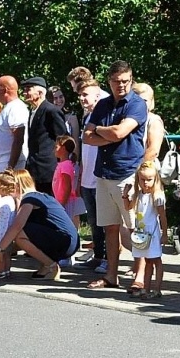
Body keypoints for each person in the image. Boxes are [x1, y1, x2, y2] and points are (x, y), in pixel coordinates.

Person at [82, 63, 147, 291]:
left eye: (125, 81)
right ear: (109, 81)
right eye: (117, 81)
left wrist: (100, 129)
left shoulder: (138, 105)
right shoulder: (103, 104)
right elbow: (86, 137)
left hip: (127, 173)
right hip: (103, 173)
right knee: (110, 227)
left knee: (134, 228)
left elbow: (121, 132)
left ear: (131, 80)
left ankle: (139, 276)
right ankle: (112, 274)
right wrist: (107, 132)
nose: (121, 85)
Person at [0, 170, 80, 283]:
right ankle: (47, 265)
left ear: (16, 185)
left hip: (64, 242)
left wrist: (0, 248)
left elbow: (17, 226)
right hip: (70, 241)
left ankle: (51, 266)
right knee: (26, 232)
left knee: (19, 235)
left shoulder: (29, 199)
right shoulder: (41, 196)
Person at [73, 77, 108, 271]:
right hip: (87, 177)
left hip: (100, 177)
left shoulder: (104, 115)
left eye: (85, 95)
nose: (82, 99)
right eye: (80, 95)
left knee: (105, 221)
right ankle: (98, 255)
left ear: (98, 95)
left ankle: (108, 259)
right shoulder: (88, 116)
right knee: (94, 221)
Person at [122, 161, 168, 299]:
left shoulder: (157, 196)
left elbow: (163, 216)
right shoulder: (138, 194)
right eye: (142, 180)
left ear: (155, 179)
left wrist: (164, 233)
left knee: (156, 260)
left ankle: (157, 289)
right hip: (141, 233)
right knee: (146, 260)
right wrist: (125, 195)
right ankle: (146, 289)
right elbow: (128, 207)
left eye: (149, 180)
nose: (146, 183)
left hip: (152, 233)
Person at [22, 77, 69, 189]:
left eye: (28, 89)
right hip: (34, 168)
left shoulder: (51, 111)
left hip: (48, 170)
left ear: (40, 92)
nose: (25, 93)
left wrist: (62, 166)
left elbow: (63, 138)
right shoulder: (32, 111)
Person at [0, 76, 30, 174]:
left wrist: (10, 167)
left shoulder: (16, 108)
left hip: (11, 164)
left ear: (5, 90)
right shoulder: (9, 107)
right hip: (3, 162)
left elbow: (18, 139)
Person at [52, 135, 86, 245]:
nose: (54, 149)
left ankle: (68, 250)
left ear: (63, 148)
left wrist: (63, 202)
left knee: (66, 226)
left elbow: (67, 186)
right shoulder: (62, 164)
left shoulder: (66, 165)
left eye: (56, 147)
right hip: (61, 201)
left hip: (66, 202)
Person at [133, 82, 167, 167]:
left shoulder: (153, 120)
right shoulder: (127, 118)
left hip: (145, 169)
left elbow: (153, 151)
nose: (141, 103)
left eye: (145, 100)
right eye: (137, 100)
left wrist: (139, 169)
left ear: (151, 101)